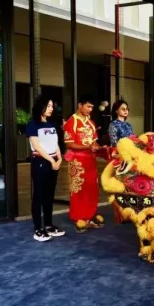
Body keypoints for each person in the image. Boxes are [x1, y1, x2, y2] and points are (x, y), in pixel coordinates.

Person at [26, 96, 65, 241]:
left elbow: (55, 144)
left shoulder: (51, 124)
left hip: (53, 162)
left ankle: (49, 225)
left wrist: (59, 158)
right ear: (41, 107)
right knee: (39, 195)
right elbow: (37, 146)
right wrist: (51, 160)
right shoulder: (32, 124)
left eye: (52, 106)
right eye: (48, 106)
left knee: (49, 196)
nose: (51, 109)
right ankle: (38, 229)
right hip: (40, 162)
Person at [64, 94, 105, 233]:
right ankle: (78, 217)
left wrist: (99, 148)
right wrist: (88, 147)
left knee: (92, 187)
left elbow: (94, 142)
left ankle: (90, 215)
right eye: (88, 106)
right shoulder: (71, 122)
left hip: (90, 160)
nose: (90, 109)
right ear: (80, 105)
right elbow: (70, 144)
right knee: (78, 189)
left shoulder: (91, 123)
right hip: (77, 162)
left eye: (92, 107)